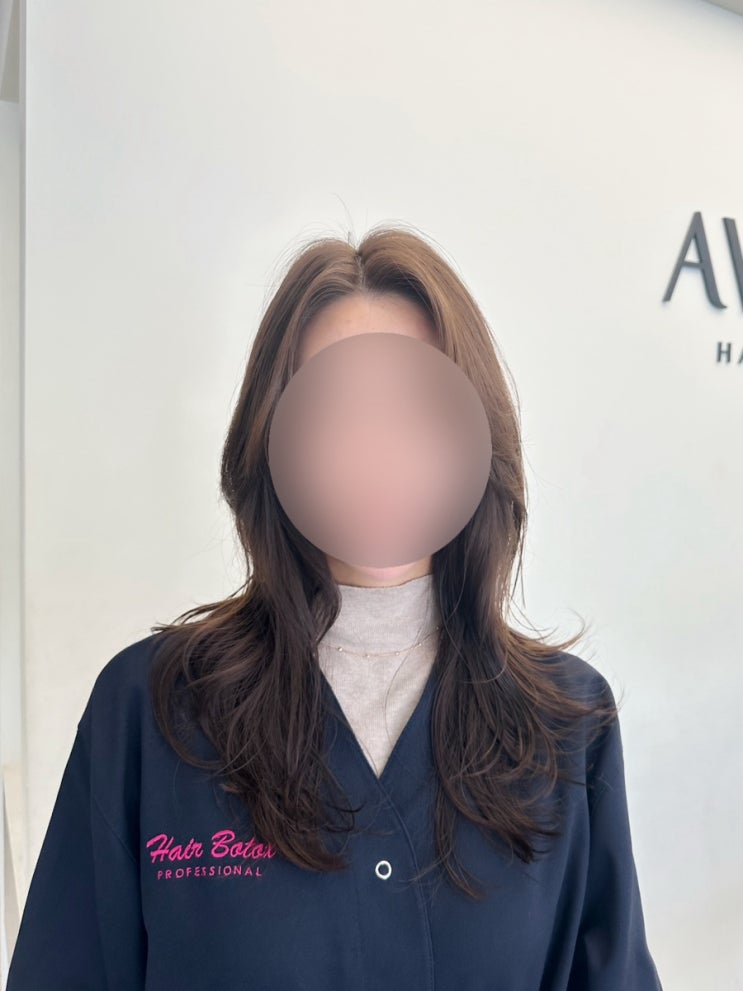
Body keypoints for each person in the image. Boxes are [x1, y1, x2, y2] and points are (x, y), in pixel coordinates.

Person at [7, 223, 664, 990]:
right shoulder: (152, 711)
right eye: (334, 409)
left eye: (414, 408)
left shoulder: (565, 724)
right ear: (273, 439)